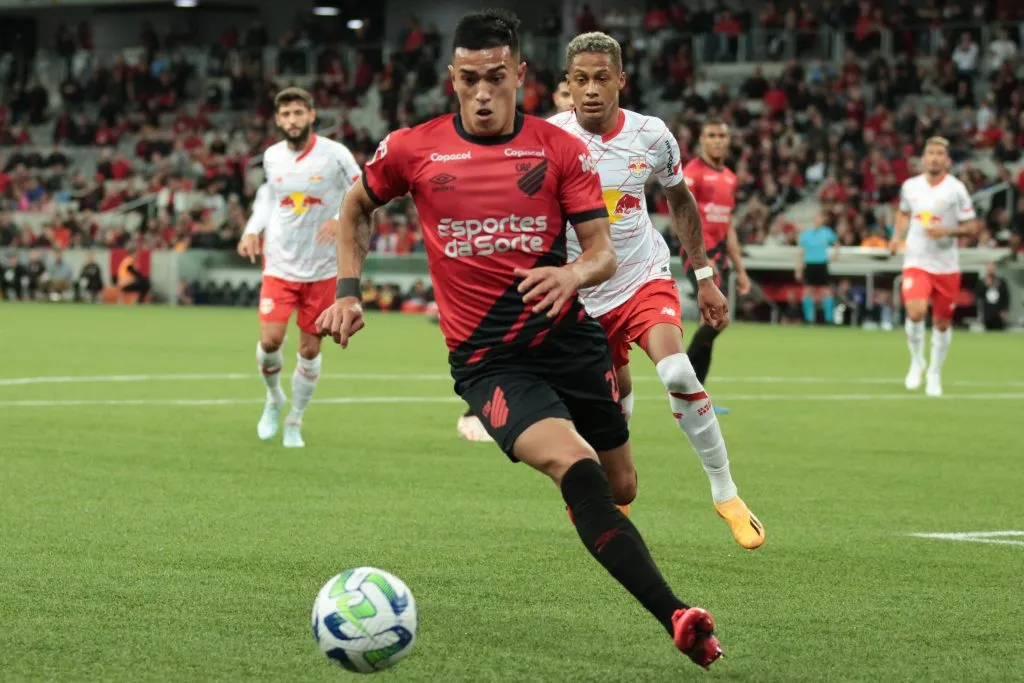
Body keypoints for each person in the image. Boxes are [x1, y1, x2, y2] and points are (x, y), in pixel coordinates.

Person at [318, 10, 723, 669]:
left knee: (621, 486)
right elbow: (357, 205)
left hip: (570, 342)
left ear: (521, 77)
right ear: (452, 78)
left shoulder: (558, 150)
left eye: (496, 79)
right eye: (470, 79)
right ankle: (676, 613)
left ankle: (585, 501)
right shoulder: (412, 150)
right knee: (577, 466)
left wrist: (571, 275)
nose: (483, 93)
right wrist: (346, 290)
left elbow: (602, 254)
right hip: (489, 361)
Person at [548, 31, 763, 550]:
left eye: (602, 78)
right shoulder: (548, 140)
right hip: (582, 293)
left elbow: (681, 202)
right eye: (581, 80)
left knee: (677, 369)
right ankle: (619, 485)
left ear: (621, 80)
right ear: (568, 85)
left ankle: (725, 492)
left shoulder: (652, 135)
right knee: (610, 398)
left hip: (642, 275)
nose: (592, 89)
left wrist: (705, 277)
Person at [237, 87, 362, 448]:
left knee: (309, 351)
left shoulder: (335, 155)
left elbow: (363, 189)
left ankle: (295, 419)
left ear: (311, 115)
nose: (292, 120)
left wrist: (340, 217)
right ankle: (274, 398)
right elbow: (267, 196)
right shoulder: (272, 157)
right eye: (285, 114)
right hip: (279, 264)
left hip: (322, 269)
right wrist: (251, 229)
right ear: (278, 120)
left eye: (298, 113)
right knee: (269, 340)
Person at [889, 137, 979, 397]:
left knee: (941, 323)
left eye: (940, 153)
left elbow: (972, 226)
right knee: (915, 312)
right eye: (931, 153)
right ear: (923, 158)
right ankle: (917, 361)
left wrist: (947, 231)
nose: (935, 158)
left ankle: (935, 372)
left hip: (946, 265)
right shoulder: (910, 186)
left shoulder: (956, 189)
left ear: (947, 160)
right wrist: (897, 236)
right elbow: (904, 212)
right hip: (916, 260)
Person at [681, 120, 752, 415]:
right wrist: (698, 256)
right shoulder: (692, 174)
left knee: (711, 323)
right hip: (699, 255)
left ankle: (697, 397)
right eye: (711, 136)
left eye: (722, 135)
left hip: (720, 256)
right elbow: (682, 215)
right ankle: (683, 383)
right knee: (718, 320)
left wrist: (741, 269)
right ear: (702, 140)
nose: (718, 141)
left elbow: (729, 226)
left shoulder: (730, 178)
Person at [795, 213, 839, 324]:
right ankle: (809, 319)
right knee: (808, 291)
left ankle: (829, 319)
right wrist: (798, 269)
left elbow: (836, 243)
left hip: (821, 264)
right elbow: (801, 252)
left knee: (826, 291)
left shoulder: (827, 232)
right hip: (809, 264)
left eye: (820, 218)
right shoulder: (806, 234)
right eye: (816, 218)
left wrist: (835, 254)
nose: (818, 220)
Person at [974, 262, 1009, 330]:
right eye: (989, 268)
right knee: (988, 330)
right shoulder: (982, 282)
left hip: (998, 311)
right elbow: (978, 295)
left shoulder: (1001, 281)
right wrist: (985, 285)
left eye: (992, 268)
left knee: (999, 330)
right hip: (987, 312)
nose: (991, 270)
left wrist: (1005, 309)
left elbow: (1006, 296)